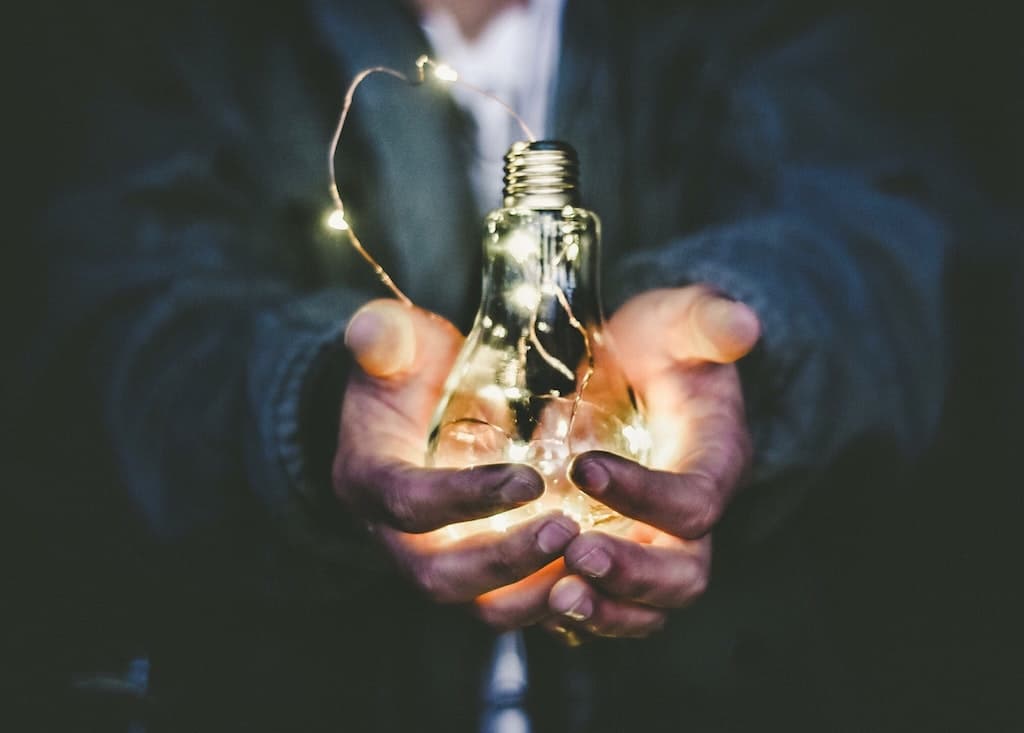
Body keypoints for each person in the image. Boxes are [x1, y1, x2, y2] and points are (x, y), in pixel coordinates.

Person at [9, 0, 965, 730]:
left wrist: (748, 350)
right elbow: (105, 310)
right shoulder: (192, 40)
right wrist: (306, 408)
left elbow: (882, 234)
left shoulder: (753, 29)